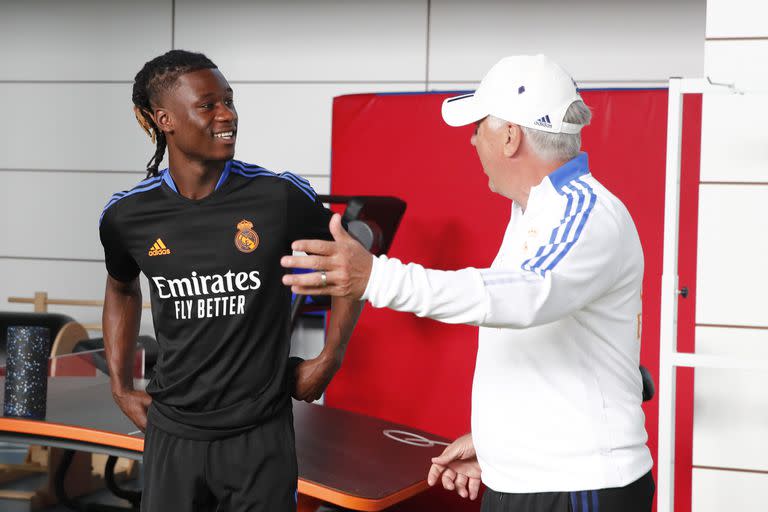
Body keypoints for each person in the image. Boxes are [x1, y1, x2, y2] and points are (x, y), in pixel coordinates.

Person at [281, 54, 655, 512]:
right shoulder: (532, 212)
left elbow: (521, 297)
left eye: (479, 127)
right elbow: (547, 353)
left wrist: (376, 277)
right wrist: (499, 444)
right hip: (526, 480)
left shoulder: (585, 213)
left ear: (511, 136)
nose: (474, 139)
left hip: (578, 486)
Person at [99, 49, 362, 512]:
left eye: (229, 101)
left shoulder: (278, 197)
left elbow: (354, 263)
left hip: (260, 435)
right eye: (208, 105)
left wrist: (330, 358)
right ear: (165, 119)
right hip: (173, 434)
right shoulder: (127, 215)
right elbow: (121, 286)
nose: (228, 115)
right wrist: (120, 385)